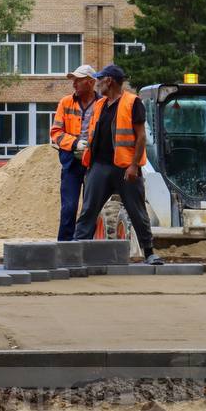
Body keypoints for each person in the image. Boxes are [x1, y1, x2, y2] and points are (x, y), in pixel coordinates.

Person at [73, 64, 164, 265]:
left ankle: (149, 252)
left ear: (109, 81)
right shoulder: (100, 104)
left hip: (125, 167)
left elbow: (140, 138)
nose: (97, 84)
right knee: (88, 209)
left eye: (100, 79)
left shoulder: (133, 102)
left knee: (136, 210)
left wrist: (133, 166)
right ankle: (77, 251)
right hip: (100, 166)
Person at [49, 64, 100, 241]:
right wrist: (75, 144)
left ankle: (85, 245)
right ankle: (64, 246)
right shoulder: (66, 102)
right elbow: (55, 132)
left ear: (91, 82)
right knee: (69, 207)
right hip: (71, 162)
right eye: (74, 80)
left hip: (94, 163)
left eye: (78, 80)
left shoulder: (102, 104)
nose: (74, 84)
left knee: (90, 208)